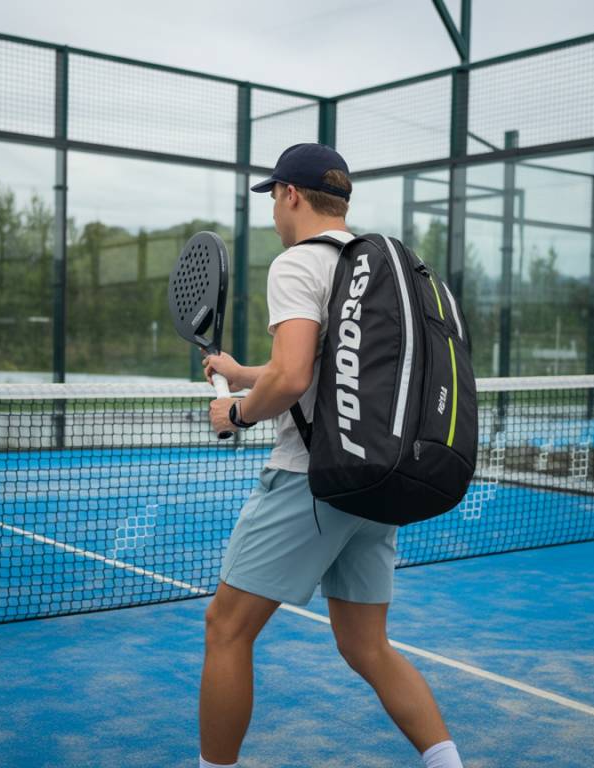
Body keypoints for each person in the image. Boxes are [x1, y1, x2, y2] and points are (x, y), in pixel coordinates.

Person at [198, 143, 464, 768]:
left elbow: (291, 380)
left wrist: (235, 410)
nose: (271, 213)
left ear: (289, 195)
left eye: (273, 199)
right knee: (367, 646)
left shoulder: (296, 266)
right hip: (379, 478)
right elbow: (324, 369)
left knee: (226, 628)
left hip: (310, 483)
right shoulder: (375, 265)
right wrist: (242, 371)